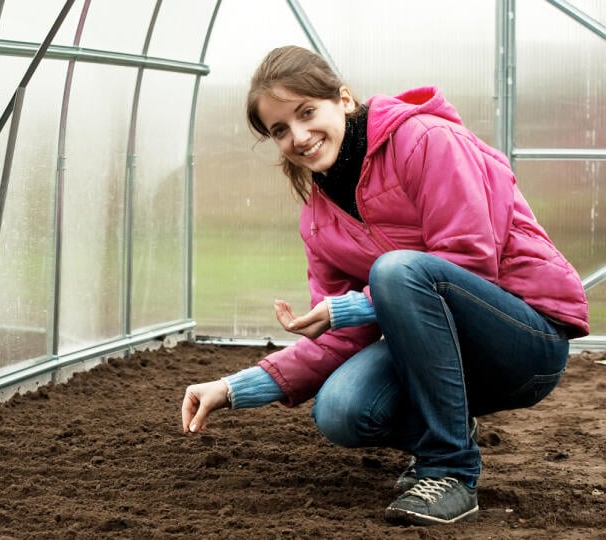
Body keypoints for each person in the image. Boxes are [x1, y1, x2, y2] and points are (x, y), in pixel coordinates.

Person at [181, 45, 589, 527]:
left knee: (397, 270)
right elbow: (338, 341)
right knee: (342, 409)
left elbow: (468, 261)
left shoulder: (426, 140)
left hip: (527, 342)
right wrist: (233, 388)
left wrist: (348, 308)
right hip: (448, 359)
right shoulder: (319, 222)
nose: (299, 136)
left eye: (307, 112)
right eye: (280, 130)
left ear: (345, 100)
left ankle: (450, 470)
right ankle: (449, 427)